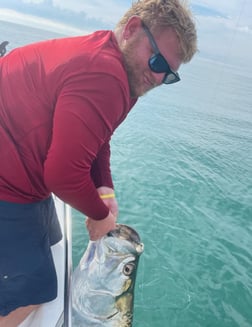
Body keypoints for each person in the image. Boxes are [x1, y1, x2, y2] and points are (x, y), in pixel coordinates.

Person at [0, 0, 197, 325]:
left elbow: (100, 139)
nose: (158, 77)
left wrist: (104, 188)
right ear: (133, 28)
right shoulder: (106, 77)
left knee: (53, 241)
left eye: (169, 75)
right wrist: (99, 215)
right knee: (36, 293)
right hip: (9, 179)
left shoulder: (122, 71)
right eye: (158, 60)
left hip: (18, 160)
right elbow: (62, 176)